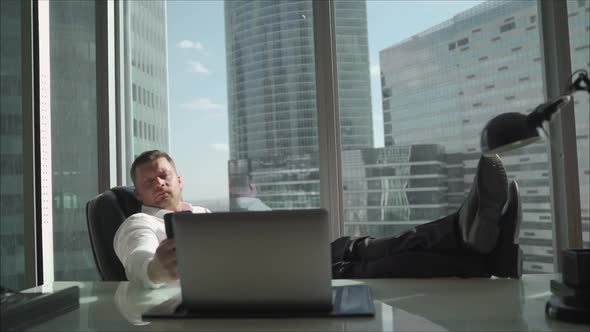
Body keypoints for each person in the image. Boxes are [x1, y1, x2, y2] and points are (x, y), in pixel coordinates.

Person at [115, 150, 521, 288]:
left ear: (178, 178)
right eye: (148, 181)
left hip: (265, 273)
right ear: (138, 193)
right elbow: (138, 263)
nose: (159, 184)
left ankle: (478, 256)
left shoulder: (200, 215)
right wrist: (155, 269)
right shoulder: (140, 224)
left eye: (163, 175)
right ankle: (464, 233)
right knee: (360, 261)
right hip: (255, 285)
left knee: (360, 257)